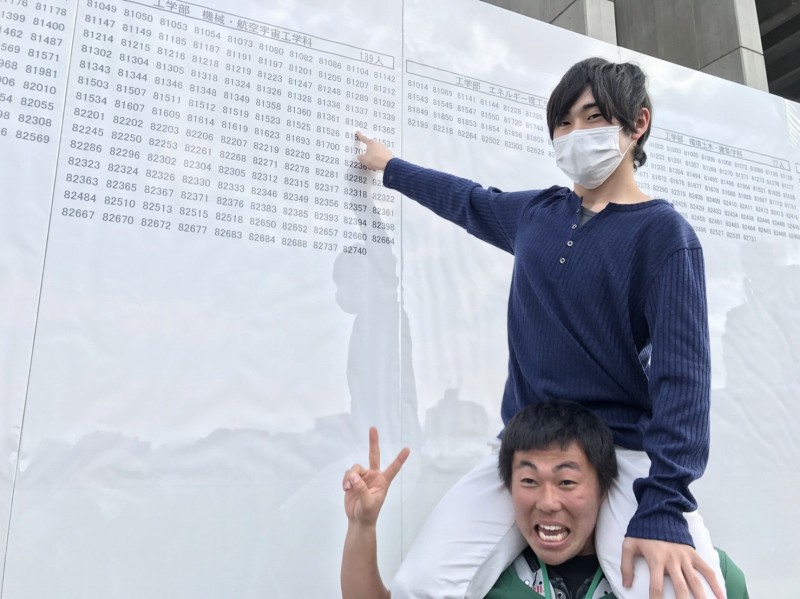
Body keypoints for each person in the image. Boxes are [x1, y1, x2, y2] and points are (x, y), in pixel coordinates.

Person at [354, 57, 724, 599]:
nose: (575, 134)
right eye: (563, 123)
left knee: (682, 593)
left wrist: (665, 505)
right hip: (527, 450)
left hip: (622, 453)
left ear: (638, 123)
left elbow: (683, 382)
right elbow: (468, 201)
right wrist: (390, 166)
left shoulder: (666, 236)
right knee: (420, 585)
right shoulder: (537, 215)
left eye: (593, 118)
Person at [340, 402, 750, 598]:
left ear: (606, 485)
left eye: (567, 482)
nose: (548, 502)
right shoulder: (481, 577)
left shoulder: (694, 574)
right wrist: (362, 527)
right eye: (529, 481)